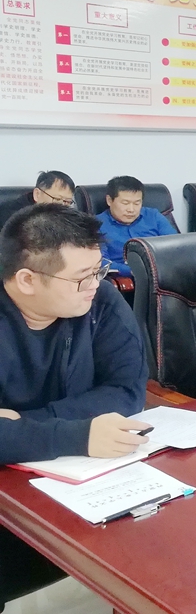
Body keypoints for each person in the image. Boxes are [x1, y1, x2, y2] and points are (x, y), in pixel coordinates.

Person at [0, 205, 150, 607]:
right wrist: (78, 434)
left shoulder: (99, 298)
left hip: (78, 479)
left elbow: (128, 391)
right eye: (82, 276)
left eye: (99, 270)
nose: (95, 284)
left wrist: (24, 425)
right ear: (27, 279)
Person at [96, 176, 177, 277]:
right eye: (125, 203)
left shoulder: (154, 216)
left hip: (163, 274)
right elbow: (101, 262)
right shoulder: (96, 225)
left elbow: (175, 247)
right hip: (126, 279)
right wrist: (139, 271)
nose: (131, 209)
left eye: (137, 203)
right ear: (109, 200)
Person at [0, 170, 76, 229]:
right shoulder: (13, 216)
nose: (62, 206)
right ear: (37, 194)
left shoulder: (68, 215)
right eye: (57, 199)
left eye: (67, 201)